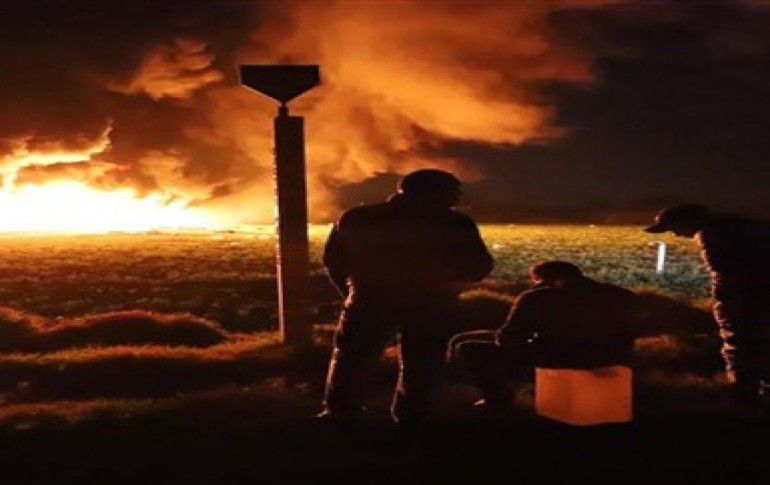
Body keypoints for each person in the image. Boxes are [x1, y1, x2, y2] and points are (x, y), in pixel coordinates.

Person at [318, 169, 493, 427]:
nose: (457, 197)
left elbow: (334, 261)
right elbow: (479, 266)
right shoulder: (455, 223)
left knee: (352, 359)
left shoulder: (357, 217)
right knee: (423, 363)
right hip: (431, 303)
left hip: (370, 298)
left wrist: (351, 293)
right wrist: (451, 287)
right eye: (453, 192)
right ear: (436, 193)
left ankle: (339, 413)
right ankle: (411, 417)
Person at [450, 261, 639, 407]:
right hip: (613, 359)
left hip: (556, 358)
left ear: (541, 280)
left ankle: (497, 398)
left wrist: (487, 334)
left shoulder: (536, 298)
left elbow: (509, 339)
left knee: (467, 348)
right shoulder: (622, 295)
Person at [644, 204, 770, 404]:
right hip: (759, 294)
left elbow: (727, 278)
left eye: (673, 228)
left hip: (752, 298)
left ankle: (745, 397)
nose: (675, 234)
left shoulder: (713, 236)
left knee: (740, 342)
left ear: (686, 222)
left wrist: (724, 309)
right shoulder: (738, 225)